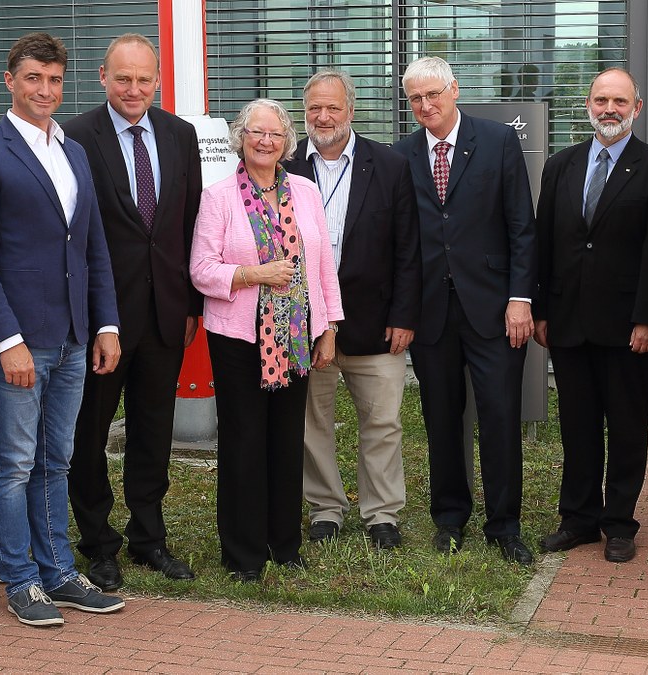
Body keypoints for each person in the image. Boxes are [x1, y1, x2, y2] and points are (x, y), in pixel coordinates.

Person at [0, 32, 125, 626]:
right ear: (9, 81)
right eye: (33, 79)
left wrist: (105, 323)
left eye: (53, 79)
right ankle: (21, 581)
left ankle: (59, 572)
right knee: (14, 463)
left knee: (58, 459)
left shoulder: (73, 151)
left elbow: (92, 244)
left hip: (75, 335)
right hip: (18, 343)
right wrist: (6, 340)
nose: (45, 90)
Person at [63, 33, 202, 590]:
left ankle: (150, 537)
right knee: (88, 433)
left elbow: (189, 224)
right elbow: (73, 237)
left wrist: (191, 304)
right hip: (104, 319)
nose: (134, 89)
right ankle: (97, 543)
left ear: (159, 80)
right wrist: (97, 318)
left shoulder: (179, 134)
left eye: (145, 79)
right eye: (124, 78)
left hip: (167, 315)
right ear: (102, 77)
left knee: (153, 431)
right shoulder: (74, 136)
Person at [190, 98, 343, 581]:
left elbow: (322, 268)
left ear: (286, 142)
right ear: (240, 137)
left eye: (275, 135)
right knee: (244, 442)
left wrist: (330, 327)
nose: (265, 141)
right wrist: (253, 274)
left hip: (296, 335)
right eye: (256, 132)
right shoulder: (218, 196)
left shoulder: (304, 190)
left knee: (285, 441)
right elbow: (201, 269)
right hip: (237, 338)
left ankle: (285, 543)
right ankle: (243, 552)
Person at [393, 56, 537, 565]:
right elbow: (401, 242)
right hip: (432, 312)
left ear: (455, 90)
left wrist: (521, 298)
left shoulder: (497, 141)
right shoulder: (402, 154)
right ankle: (450, 518)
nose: (426, 106)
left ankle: (504, 525)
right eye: (415, 99)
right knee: (441, 419)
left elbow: (522, 224)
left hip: (495, 309)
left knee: (499, 416)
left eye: (434, 94)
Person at [285, 69, 421, 549]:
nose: (323, 117)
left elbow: (409, 248)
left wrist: (404, 316)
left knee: (383, 422)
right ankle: (325, 508)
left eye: (332, 108)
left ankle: (382, 513)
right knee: (311, 423)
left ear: (351, 111)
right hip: (302, 324)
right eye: (314, 109)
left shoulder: (388, 165)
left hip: (375, 322)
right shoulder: (283, 165)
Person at [534, 68, 648, 564]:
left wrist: (647, 317)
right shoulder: (561, 165)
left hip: (628, 324)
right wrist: (541, 307)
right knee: (578, 425)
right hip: (568, 321)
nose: (609, 109)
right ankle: (580, 519)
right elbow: (545, 240)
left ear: (637, 106)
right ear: (587, 104)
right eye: (600, 99)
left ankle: (620, 523)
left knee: (627, 428)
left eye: (619, 101)